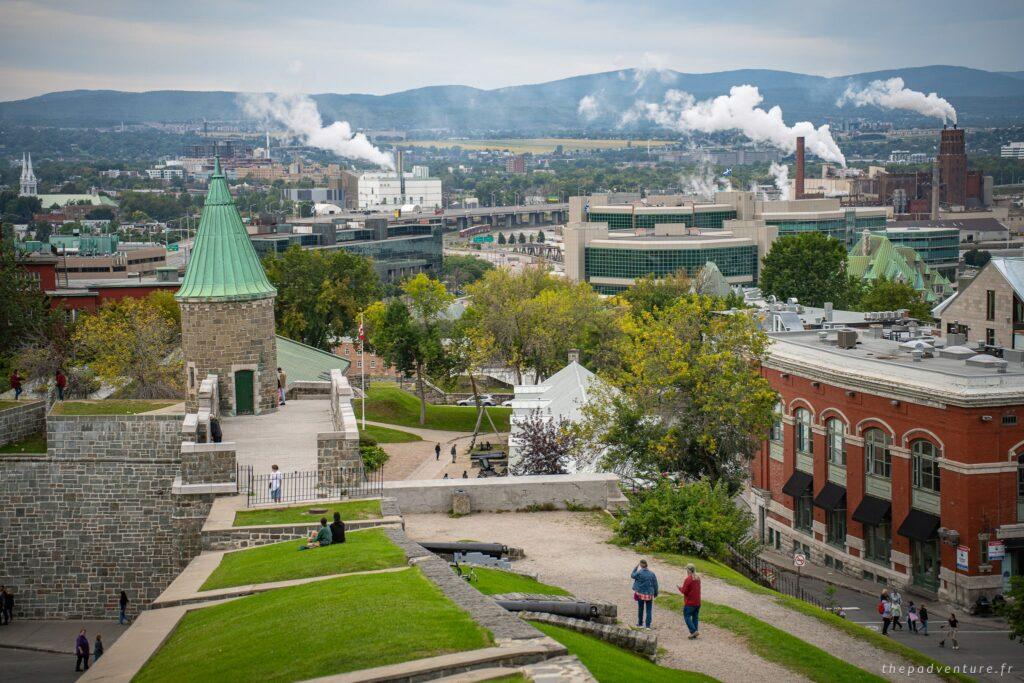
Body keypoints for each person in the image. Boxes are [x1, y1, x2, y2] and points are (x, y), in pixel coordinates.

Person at [631, 560, 659, 630]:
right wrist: (655, 593)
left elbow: (632, 575)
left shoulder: (639, 572)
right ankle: (648, 626)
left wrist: (635, 568)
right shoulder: (652, 574)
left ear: (641, 565)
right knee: (649, 610)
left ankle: (640, 623)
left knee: (641, 609)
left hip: (640, 594)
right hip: (649, 594)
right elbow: (655, 584)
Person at [679, 563, 702, 639]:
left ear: (688, 570)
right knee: (695, 617)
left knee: (687, 616)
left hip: (690, 602)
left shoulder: (688, 579)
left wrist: (680, 588)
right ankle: (695, 631)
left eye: (687, 570)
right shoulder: (698, 578)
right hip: (697, 602)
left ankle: (693, 631)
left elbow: (684, 591)